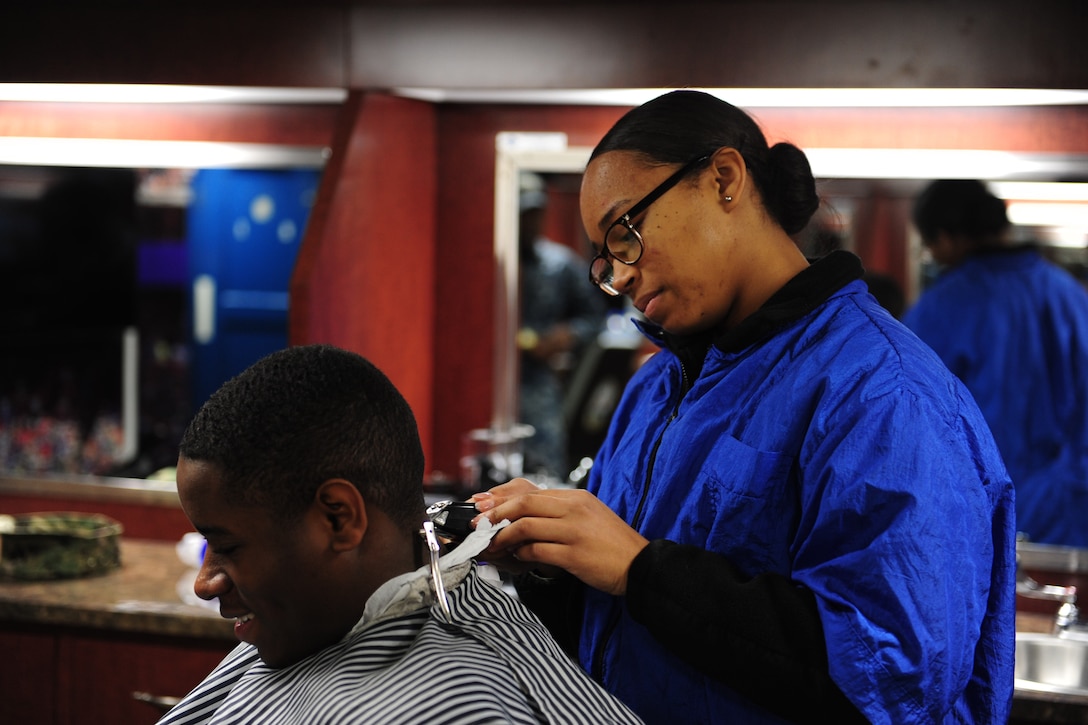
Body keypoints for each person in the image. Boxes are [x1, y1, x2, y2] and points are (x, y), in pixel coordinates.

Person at [470, 91, 1016, 724]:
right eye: (605, 256)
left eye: (627, 234)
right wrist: (552, 563)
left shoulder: (883, 394)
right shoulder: (655, 391)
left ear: (724, 180)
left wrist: (643, 570)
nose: (618, 277)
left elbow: (890, 680)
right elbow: (631, 625)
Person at [157, 344, 642, 725]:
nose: (205, 583)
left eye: (225, 547)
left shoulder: (457, 706)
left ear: (339, 518)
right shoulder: (297, 624)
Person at [903, 179, 1088, 548]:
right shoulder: (1071, 298)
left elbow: (909, 422)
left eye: (931, 244)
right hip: (1070, 517)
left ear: (948, 237)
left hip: (976, 521)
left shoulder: (943, 308)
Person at [517, 172, 609, 478]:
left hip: (542, 385)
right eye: (524, 214)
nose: (531, 222)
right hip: (494, 382)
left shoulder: (560, 265)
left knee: (547, 473)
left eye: (536, 213)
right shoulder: (488, 261)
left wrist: (566, 335)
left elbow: (597, 319)